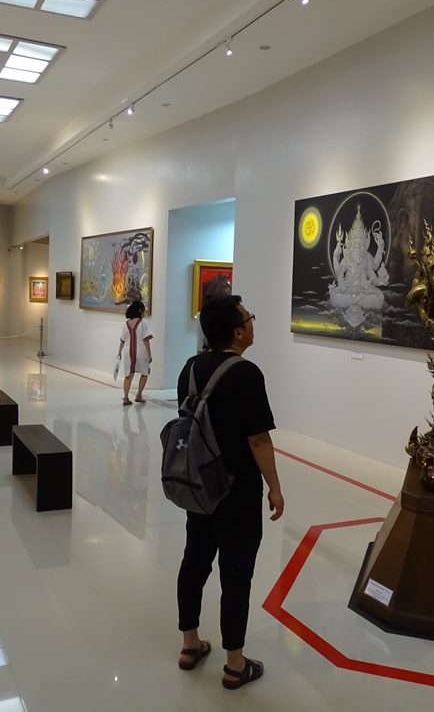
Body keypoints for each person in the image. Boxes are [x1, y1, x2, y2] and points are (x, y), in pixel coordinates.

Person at [174, 295, 284, 690]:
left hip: (199, 487)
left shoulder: (190, 368)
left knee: (194, 561)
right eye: (249, 318)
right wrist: (274, 486)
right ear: (238, 332)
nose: (253, 323)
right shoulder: (246, 374)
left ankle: (190, 644)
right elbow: (258, 440)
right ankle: (235, 664)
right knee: (236, 576)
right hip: (237, 492)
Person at [117, 300, 152, 405]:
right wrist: (149, 355)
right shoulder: (143, 324)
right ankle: (139, 395)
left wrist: (119, 352)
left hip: (127, 352)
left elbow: (122, 340)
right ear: (140, 310)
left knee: (128, 375)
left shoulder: (126, 323)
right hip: (141, 352)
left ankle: (126, 398)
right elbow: (146, 340)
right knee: (144, 373)